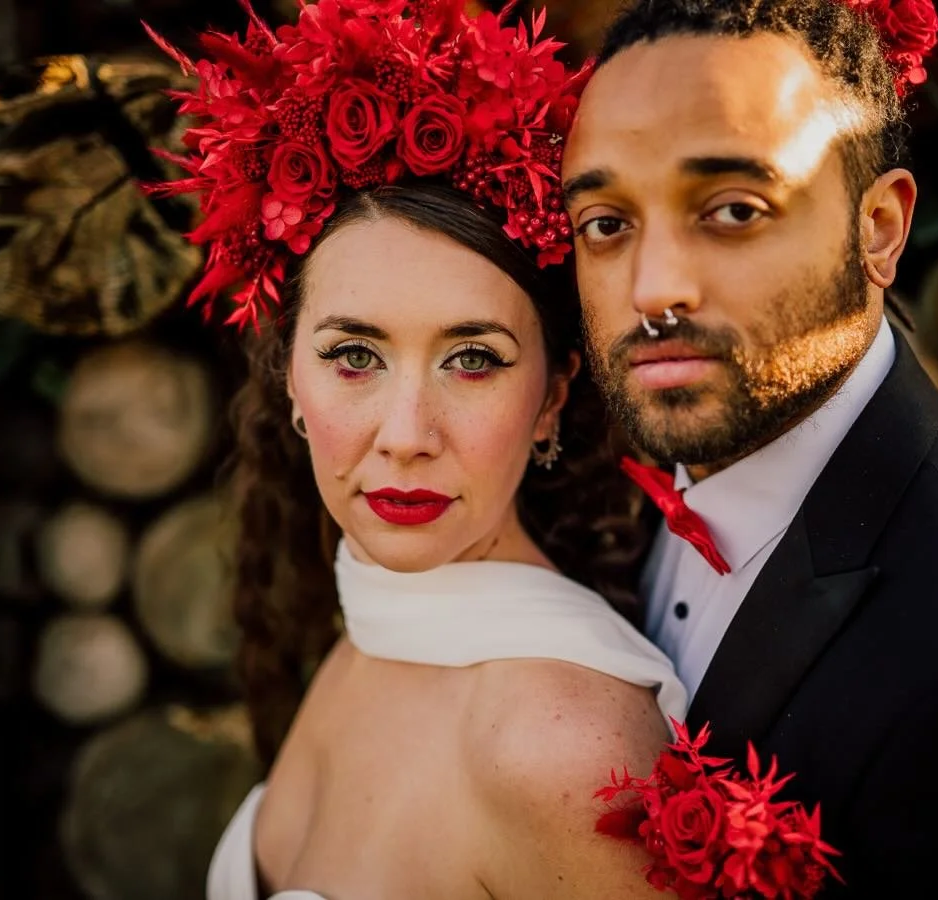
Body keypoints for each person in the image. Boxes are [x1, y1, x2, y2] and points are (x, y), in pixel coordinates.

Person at [562, 0, 938, 895]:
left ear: (878, 228)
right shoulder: (578, 469)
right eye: (607, 223)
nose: (653, 290)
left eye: (733, 209)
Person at [146, 2, 686, 897]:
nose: (405, 437)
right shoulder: (370, 624)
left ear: (552, 398)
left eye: (472, 360)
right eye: (354, 356)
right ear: (289, 378)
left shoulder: (563, 751)